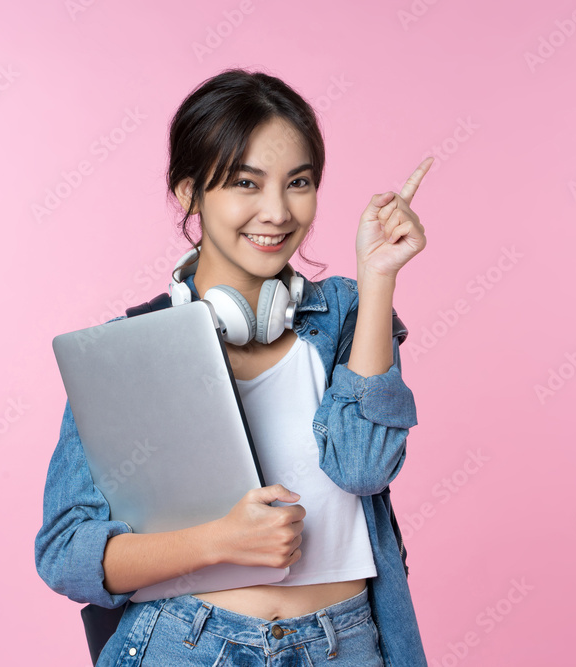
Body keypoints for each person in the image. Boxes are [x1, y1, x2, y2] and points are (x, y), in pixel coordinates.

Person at [35, 68, 432, 666]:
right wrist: (220, 542)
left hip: (341, 645)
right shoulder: (132, 351)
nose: (276, 211)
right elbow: (66, 553)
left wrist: (378, 277)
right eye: (247, 183)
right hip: (185, 642)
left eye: (298, 182)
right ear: (189, 193)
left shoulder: (347, 315)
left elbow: (364, 468)